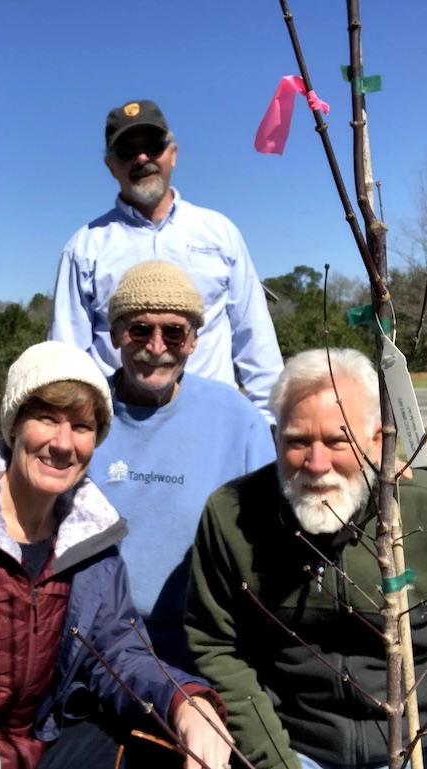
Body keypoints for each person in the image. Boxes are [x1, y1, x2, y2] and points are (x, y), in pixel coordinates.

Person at [186, 348, 427, 769]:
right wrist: (274, 761)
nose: (317, 464)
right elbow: (216, 644)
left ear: (377, 440)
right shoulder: (232, 517)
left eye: (339, 441)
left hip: (425, 746)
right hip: (296, 749)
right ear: (275, 437)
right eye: (298, 442)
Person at [0, 341, 232, 769]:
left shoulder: (91, 542)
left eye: (82, 427)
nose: (62, 443)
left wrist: (187, 703)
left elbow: (117, 651)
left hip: (42, 746)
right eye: (46, 418)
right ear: (13, 424)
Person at [49, 98, 284, 423]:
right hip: (117, 429)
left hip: (214, 424)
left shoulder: (220, 233)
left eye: (152, 146)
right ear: (110, 165)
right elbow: (65, 358)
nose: (142, 158)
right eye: (127, 151)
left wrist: (270, 427)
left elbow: (255, 340)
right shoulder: (84, 247)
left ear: (173, 152)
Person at [89, 260, 274, 670]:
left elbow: (282, 519)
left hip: (210, 648)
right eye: (140, 329)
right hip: (96, 645)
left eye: (174, 331)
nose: (156, 347)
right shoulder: (83, 411)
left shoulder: (236, 417)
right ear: (117, 333)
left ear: (193, 341)